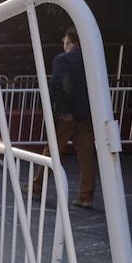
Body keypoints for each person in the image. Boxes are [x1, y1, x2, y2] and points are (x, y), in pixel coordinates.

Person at [50, 27, 96, 208]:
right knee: (86, 157)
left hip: (67, 116)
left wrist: (63, 111)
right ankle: (86, 197)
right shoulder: (92, 60)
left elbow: (59, 86)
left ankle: (37, 186)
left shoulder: (63, 60)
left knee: (52, 152)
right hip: (85, 115)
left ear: (70, 42)